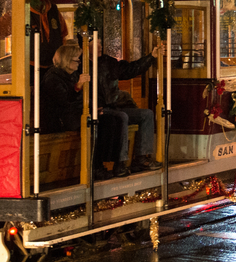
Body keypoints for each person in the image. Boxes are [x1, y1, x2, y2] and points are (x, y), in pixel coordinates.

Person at [41, 44, 126, 180]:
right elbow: (64, 101)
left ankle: (105, 163)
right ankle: (94, 167)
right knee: (97, 125)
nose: (79, 64)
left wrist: (93, 109)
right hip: (59, 119)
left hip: (74, 114)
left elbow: (81, 99)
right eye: (76, 60)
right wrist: (78, 87)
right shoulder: (53, 77)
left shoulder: (72, 75)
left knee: (112, 120)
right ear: (66, 60)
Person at [96, 38, 163, 174]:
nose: (100, 46)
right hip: (100, 109)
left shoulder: (108, 62)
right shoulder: (82, 65)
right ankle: (120, 163)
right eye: (95, 43)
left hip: (113, 106)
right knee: (122, 117)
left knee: (147, 114)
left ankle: (141, 158)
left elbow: (130, 69)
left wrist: (151, 57)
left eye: (100, 43)